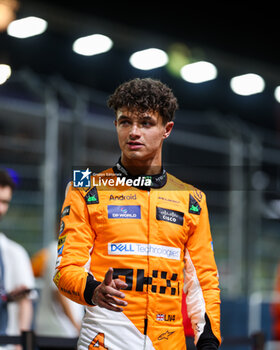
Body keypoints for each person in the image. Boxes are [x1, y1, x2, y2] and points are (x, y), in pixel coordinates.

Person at [53, 78, 221, 350]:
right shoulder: (85, 188)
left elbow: (203, 281)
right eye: (124, 122)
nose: (133, 132)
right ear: (115, 125)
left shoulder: (193, 198)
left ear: (167, 129)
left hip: (168, 341)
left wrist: (208, 339)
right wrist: (94, 291)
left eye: (145, 123)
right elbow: (65, 270)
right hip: (105, 337)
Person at [0, 170, 35, 350]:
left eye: (5, 202)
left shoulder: (14, 253)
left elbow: (26, 304)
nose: (1, 208)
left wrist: (24, 346)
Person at [32, 239, 84, 339]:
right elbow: (59, 293)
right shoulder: (58, 250)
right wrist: (76, 326)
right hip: (58, 330)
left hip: (63, 330)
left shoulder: (72, 249)